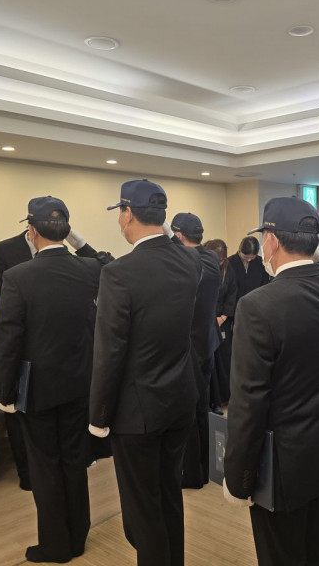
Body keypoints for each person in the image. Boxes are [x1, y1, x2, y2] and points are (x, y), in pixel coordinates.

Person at [223, 197, 319, 566]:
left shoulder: (257, 305)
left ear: (270, 240)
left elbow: (248, 401)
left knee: (281, 555)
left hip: (281, 463)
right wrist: (314, 248)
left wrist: (238, 477)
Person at [89, 179, 201, 566]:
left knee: (143, 510)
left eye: (120, 213)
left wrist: (98, 416)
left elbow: (109, 352)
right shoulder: (190, 262)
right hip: (179, 399)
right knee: (168, 493)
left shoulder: (120, 273)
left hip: (137, 412)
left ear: (127, 214)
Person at [0, 196, 102, 564]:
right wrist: (78, 241)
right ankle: (78, 537)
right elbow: (106, 261)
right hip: (80, 384)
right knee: (74, 461)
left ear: (31, 231)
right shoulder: (90, 269)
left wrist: (5, 391)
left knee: (45, 468)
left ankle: (55, 545)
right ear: (66, 230)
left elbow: (9, 339)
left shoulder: (17, 276)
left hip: (35, 388)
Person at [170, 212, 221, 489]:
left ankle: (191, 474)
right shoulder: (211, 258)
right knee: (201, 409)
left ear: (178, 236)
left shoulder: (186, 262)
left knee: (187, 413)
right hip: (207, 345)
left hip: (188, 348)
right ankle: (205, 467)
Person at [204, 239, 237, 406]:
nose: (219, 263)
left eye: (222, 260)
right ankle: (210, 400)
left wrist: (223, 317)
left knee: (224, 359)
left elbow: (232, 295)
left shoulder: (228, 270)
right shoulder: (199, 265)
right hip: (204, 322)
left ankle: (224, 397)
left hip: (222, 320)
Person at [228, 236, 270, 302]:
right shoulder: (229, 263)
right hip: (235, 304)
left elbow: (264, 285)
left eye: (252, 257)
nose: (249, 260)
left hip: (256, 303)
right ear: (240, 249)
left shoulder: (261, 263)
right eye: (245, 257)